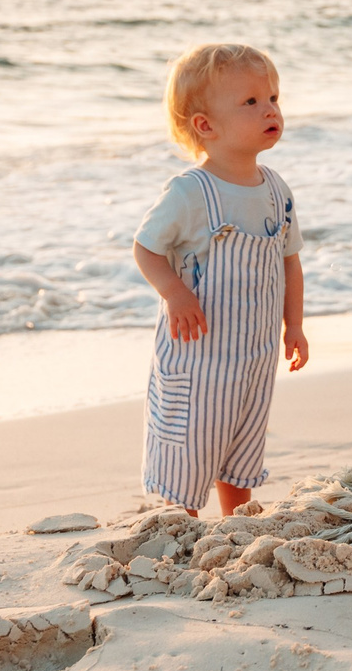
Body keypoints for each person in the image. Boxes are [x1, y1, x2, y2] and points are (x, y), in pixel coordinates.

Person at [133, 43, 310, 514]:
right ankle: (181, 522)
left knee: (243, 439)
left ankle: (236, 519)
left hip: (255, 353)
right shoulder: (191, 193)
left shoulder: (276, 189)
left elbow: (289, 262)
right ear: (205, 126)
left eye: (273, 97)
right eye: (251, 102)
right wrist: (174, 293)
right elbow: (146, 248)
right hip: (199, 357)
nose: (270, 109)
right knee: (192, 443)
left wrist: (294, 326)